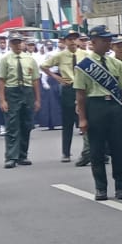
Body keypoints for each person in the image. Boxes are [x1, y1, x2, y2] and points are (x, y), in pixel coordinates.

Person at [73, 26, 122, 201]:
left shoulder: (117, 63)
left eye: (109, 39)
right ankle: (101, 188)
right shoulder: (84, 66)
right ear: (93, 42)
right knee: (97, 150)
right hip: (95, 106)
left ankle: (121, 187)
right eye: (104, 40)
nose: (108, 43)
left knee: (118, 148)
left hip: (114, 108)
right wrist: (82, 119)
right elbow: (80, 94)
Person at [0, 35, 41, 169]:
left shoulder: (30, 59)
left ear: (23, 43)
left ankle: (22, 155)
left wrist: (37, 99)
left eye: (19, 42)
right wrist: (2, 100)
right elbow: (1, 80)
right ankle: (11, 157)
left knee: (26, 124)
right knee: (12, 125)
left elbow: (35, 80)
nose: (17, 45)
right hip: (12, 91)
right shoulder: (5, 60)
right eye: (14, 43)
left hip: (27, 91)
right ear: (10, 44)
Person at [45, 31, 87, 164]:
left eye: (75, 39)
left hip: (83, 89)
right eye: (69, 39)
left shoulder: (86, 54)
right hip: (69, 88)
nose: (73, 41)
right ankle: (66, 152)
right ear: (64, 41)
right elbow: (44, 66)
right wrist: (56, 77)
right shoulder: (60, 56)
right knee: (68, 122)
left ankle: (90, 151)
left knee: (86, 120)